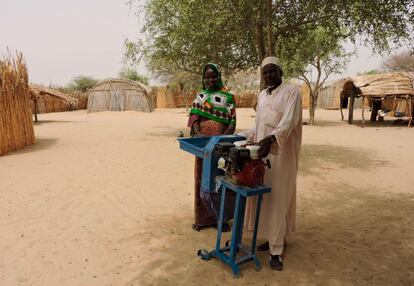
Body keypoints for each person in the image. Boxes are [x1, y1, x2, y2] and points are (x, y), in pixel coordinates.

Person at [239, 56, 302, 271]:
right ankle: (272, 238)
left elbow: (289, 121)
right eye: (265, 72)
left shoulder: (292, 91)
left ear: (280, 72)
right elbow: (259, 126)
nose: (269, 75)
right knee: (265, 199)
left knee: (278, 199)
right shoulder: (263, 95)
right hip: (263, 155)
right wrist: (245, 137)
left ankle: (277, 252)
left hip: (282, 155)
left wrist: (271, 139)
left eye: (273, 71)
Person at [187, 63, 237, 231]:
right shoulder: (201, 96)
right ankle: (202, 219)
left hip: (219, 145)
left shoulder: (228, 96)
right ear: (204, 78)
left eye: (213, 76)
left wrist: (221, 140)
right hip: (203, 146)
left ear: (219, 76)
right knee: (201, 179)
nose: (211, 80)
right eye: (207, 77)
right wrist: (198, 134)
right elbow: (194, 118)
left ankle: (220, 219)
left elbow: (231, 121)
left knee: (219, 179)